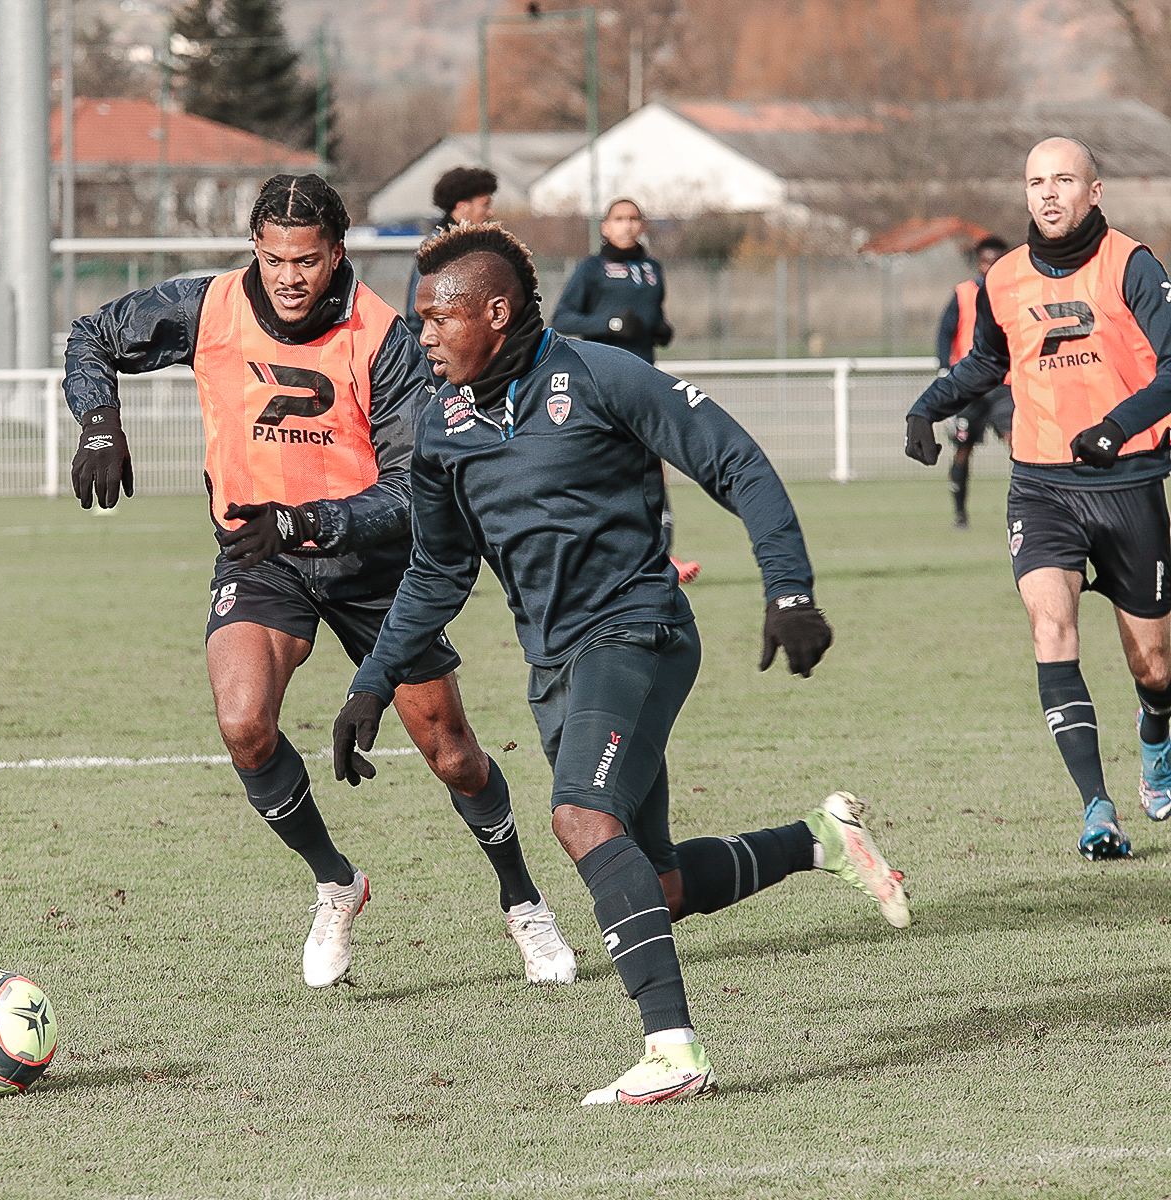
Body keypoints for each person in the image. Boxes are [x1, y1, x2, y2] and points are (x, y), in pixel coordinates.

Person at [334, 223, 911, 1106]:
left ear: (495, 312)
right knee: (658, 883)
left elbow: (738, 463)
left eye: (436, 319)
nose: (423, 337)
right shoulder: (441, 430)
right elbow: (438, 569)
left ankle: (673, 1053)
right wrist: (373, 681)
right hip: (554, 665)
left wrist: (789, 591)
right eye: (418, 322)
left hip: (637, 633)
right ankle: (822, 840)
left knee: (578, 817)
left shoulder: (601, 375)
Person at [64, 174, 575, 990]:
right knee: (244, 725)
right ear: (255, 253)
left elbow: (414, 485)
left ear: (336, 254)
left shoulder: (383, 336)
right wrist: (98, 422)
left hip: (376, 570)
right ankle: (336, 883)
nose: (289, 277)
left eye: (306, 260)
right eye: (272, 259)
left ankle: (522, 898)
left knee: (450, 754)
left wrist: (312, 520)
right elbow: (90, 335)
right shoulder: (211, 307)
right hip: (261, 559)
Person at [906, 137, 1171, 859]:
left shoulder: (1133, 265)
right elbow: (990, 360)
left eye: (1063, 180)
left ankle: (1156, 730)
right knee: (1051, 630)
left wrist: (1117, 429)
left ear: (1095, 191)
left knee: (1156, 667)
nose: (1048, 193)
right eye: (1035, 182)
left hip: (1130, 482)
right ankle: (1096, 808)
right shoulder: (1006, 278)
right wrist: (925, 406)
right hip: (1042, 485)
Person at [552, 198, 697, 583]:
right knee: (596, 468)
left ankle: (661, 555)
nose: (627, 225)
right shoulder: (592, 269)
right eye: (619, 219)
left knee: (654, 467)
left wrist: (661, 328)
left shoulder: (652, 269)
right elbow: (563, 318)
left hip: (644, 381)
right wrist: (612, 324)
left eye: (634, 219)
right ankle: (584, 556)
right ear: (604, 226)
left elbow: (653, 317)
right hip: (598, 382)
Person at [935, 235, 1015, 527]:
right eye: (985, 261)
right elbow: (945, 332)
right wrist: (945, 370)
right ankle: (960, 513)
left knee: (1017, 443)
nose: (990, 267)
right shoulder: (963, 293)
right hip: (970, 384)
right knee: (963, 448)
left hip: (1004, 383)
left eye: (997, 261)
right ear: (978, 263)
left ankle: (1028, 508)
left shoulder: (1017, 293)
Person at [405, 165, 498, 337]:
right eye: (485, 205)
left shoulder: (478, 248)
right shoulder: (436, 249)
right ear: (462, 206)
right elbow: (418, 316)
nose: (490, 212)